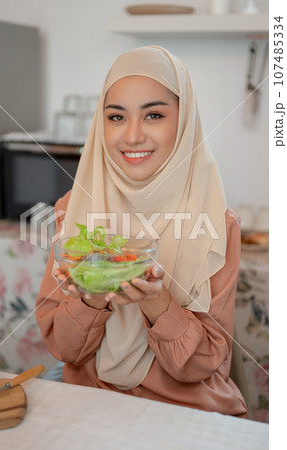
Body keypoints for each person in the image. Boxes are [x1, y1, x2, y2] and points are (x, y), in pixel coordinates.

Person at [36, 46, 247, 417]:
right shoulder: (72, 208)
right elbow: (66, 351)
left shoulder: (218, 222)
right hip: (91, 399)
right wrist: (91, 297)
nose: (132, 136)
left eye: (153, 114)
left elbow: (201, 366)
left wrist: (155, 301)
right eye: (116, 117)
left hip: (183, 408)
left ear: (184, 121)